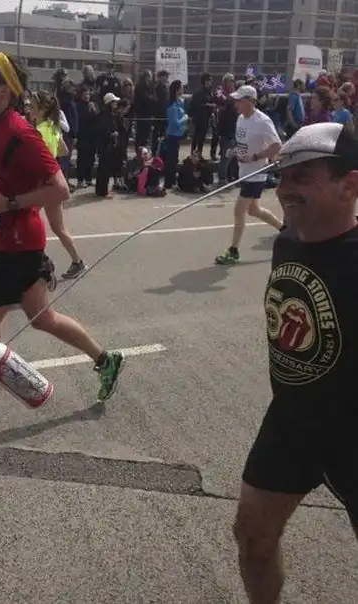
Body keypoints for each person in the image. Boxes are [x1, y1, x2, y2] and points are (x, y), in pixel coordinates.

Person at [0, 53, 124, 435]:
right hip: (12, 240)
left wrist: (8, 204)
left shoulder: (20, 133)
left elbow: (60, 189)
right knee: (42, 318)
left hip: (18, 246)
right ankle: (106, 360)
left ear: (5, 90)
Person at [234, 122, 358, 603]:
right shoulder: (288, 240)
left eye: (302, 176)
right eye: (282, 176)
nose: (284, 188)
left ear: (349, 185)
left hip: (352, 431)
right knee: (252, 537)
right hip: (292, 421)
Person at [215, 85, 283, 265]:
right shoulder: (240, 119)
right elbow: (243, 144)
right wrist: (234, 151)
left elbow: (276, 146)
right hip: (244, 171)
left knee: (239, 210)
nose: (236, 104)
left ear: (250, 101)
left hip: (256, 174)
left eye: (239, 101)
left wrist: (255, 157)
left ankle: (233, 251)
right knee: (254, 210)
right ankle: (285, 230)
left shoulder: (263, 121)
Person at [31, 89, 88, 279]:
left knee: (26, 224)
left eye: (33, 105)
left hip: (43, 184)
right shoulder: (52, 127)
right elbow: (63, 150)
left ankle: (40, 265)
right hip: (52, 182)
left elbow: (39, 159)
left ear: (42, 109)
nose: (29, 108)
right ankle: (77, 262)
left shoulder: (40, 131)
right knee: (57, 228)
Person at [162, 79, 186, 189]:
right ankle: (168, 181)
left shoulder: (180, 102)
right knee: (170, 159)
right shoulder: (171, 104)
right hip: (172, 135)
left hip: (178, 134)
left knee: (175, 159)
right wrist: (185, 118)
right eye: (181, 87)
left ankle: (172, 180)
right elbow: (174, 122)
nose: (183, 89)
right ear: (176, 90)